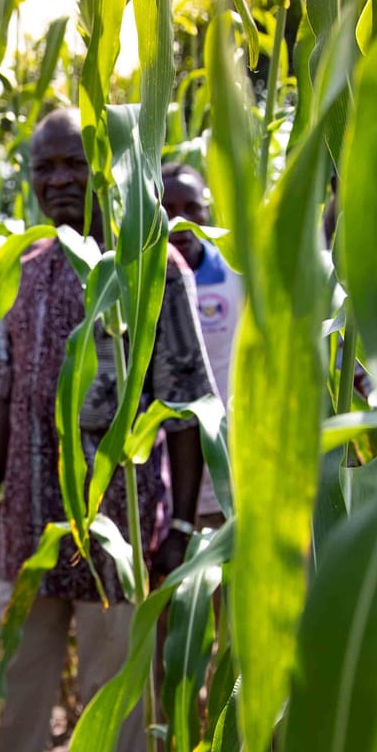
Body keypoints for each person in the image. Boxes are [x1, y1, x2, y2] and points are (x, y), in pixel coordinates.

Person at [0, 108, 214, 752]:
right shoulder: (23, 269)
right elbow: (1, 395)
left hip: (123, 529)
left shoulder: (154, 267)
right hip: (29, 522)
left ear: (108, 170)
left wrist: (172, 535)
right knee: (10, 695)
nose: (60, 182)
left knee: (115, 708)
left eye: (76, 166)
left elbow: (186, 401)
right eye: (47, 169)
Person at [161, 162, 245, 527]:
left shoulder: (237, 275)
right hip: (167, 490)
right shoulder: (140, 286)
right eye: (168, 210)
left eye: (191, 208)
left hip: (235, 475)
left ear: (208, 209)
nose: (180, 222)